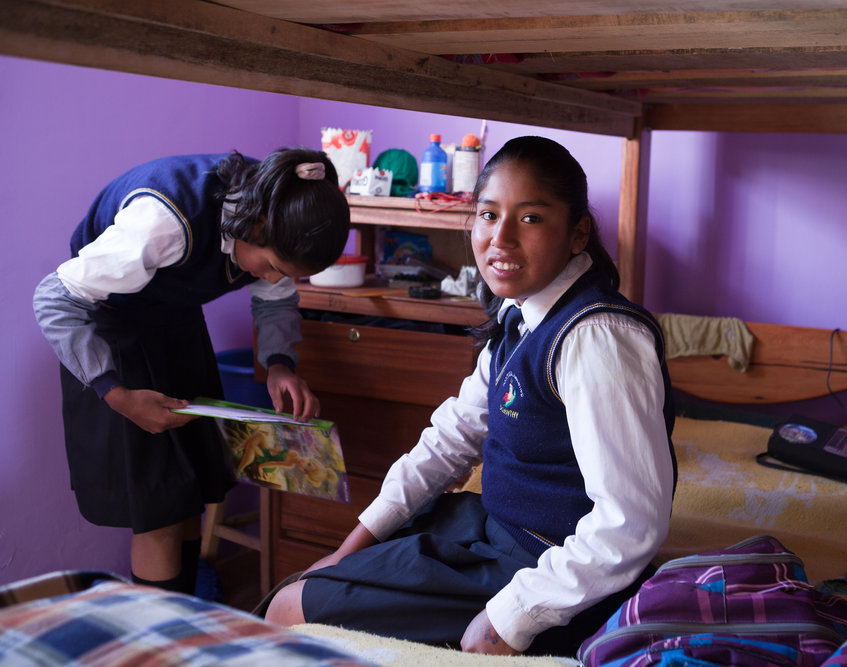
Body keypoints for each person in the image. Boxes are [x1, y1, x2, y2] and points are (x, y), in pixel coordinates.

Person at [264, 136, 677, 657]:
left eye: (529, 218)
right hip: (490, 527)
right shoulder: (521, 318)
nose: (500, 238)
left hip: (548, 566)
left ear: (578, 234)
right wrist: (352, 546)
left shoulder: (597, 339)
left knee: (288, 610)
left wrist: (512, 617)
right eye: (488, 214)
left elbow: (631, 522)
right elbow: (450, 438)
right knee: (301, 586)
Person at [33, 147, 350, 595]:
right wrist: (117, 394)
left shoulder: (281, 207)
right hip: (110, 338)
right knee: (159, 508)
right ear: (255, 226)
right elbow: (54, 298)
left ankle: (183, 616)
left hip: (175, 323)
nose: (276, 279)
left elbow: (275, 299)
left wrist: (279, 365)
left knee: (188, 497)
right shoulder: (164, 221)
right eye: (275, 267)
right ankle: (163, 645)